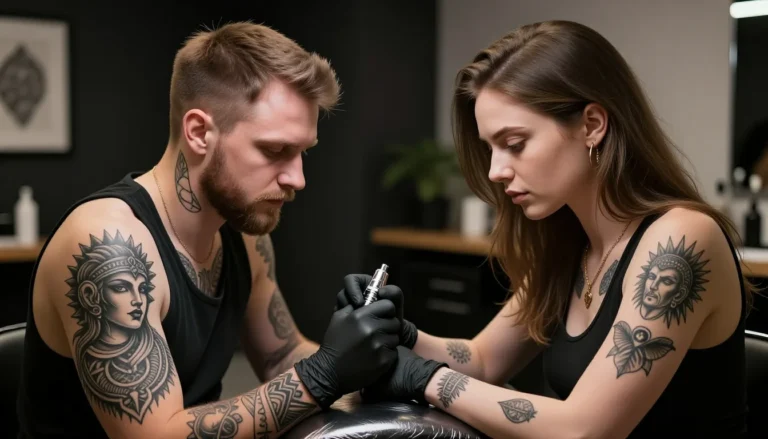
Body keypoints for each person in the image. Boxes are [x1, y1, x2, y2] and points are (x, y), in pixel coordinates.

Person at [339, 20, 753, 438]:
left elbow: (585, 430)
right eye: (490, 148)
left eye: (515, 144)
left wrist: (425, 379)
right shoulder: (571, 244)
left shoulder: (680, 241)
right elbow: (484, 359)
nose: (495, 171)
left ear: (592, 125)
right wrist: (399, 331)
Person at [16, 22, 403, 438]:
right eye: (276, 150)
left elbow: (281, 355)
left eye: (303, 152)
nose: (298, 178)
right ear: (200, 132)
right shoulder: (110, 246)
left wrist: (367, 357)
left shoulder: (246, 237)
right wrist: (323, 373)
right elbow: (156, 436)